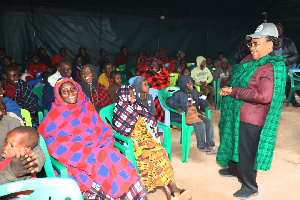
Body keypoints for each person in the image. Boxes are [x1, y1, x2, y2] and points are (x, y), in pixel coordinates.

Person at [38, 77, 147, 199]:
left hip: (99, 149)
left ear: (78, 89)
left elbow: (103, 130)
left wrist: (99, 146)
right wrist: (86, 153)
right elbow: (52, 145)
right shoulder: (54, 115)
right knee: (108, 160)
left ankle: (134, 195)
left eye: (73, 89)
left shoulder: (86, 106)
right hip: (77, 159)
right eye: (64, 91)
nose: (70, 93)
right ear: (58, 95)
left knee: (116, 160)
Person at [217, 23, 286, 199]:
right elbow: (236, 79)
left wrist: (234, 92)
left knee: (246, 150)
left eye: (257, 44)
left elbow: (264, 96)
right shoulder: (249, 60)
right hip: (236, 110)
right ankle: (233, 169)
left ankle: (249, 185)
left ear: (271, 44)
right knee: (233, 139)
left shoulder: (271, 66)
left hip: (252, 116)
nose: (252, 47)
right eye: (251, 43)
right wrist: (228, 88)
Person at [113, 85, 191, 200]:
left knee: (160, 151)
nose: (134, 96)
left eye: (134, 93)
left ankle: (171, 191)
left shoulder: (136, 105)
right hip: (133, 143)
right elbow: (121, 134)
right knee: (154, 155)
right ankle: (173, 191)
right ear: (124, 96)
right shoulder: (119, 111)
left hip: (146, 138)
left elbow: (148, 119)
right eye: (130, 94)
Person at [167, 75, 216, 154]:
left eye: (191, 82)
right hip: (186, 115)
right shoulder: (178, 94)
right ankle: (201, 145)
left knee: (209, 122)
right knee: (200, 124)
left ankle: (210, 144)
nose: (191, 84)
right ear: (183, 85)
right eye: (188, 83)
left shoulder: (194, 92)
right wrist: (177, 107)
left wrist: (206, 103)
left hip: (195, 113)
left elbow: (198, 100)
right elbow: (170, 101)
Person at [0, 106, 45, 185]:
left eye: (12, 145)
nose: (1, 112)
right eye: (5, 142)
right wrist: (11, 172)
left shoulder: (10, 122)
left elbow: (36, 150)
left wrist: (27, 165)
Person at [273, 23, 300, 107]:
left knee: (290, 78)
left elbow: (296, 56)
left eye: (280, 29)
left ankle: (292, 100)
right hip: (273, 68)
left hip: (286, 67)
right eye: (277, 29)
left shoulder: (289, 42)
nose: (279, 31)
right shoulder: (268, 43)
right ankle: (290, 99)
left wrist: (284, 61)